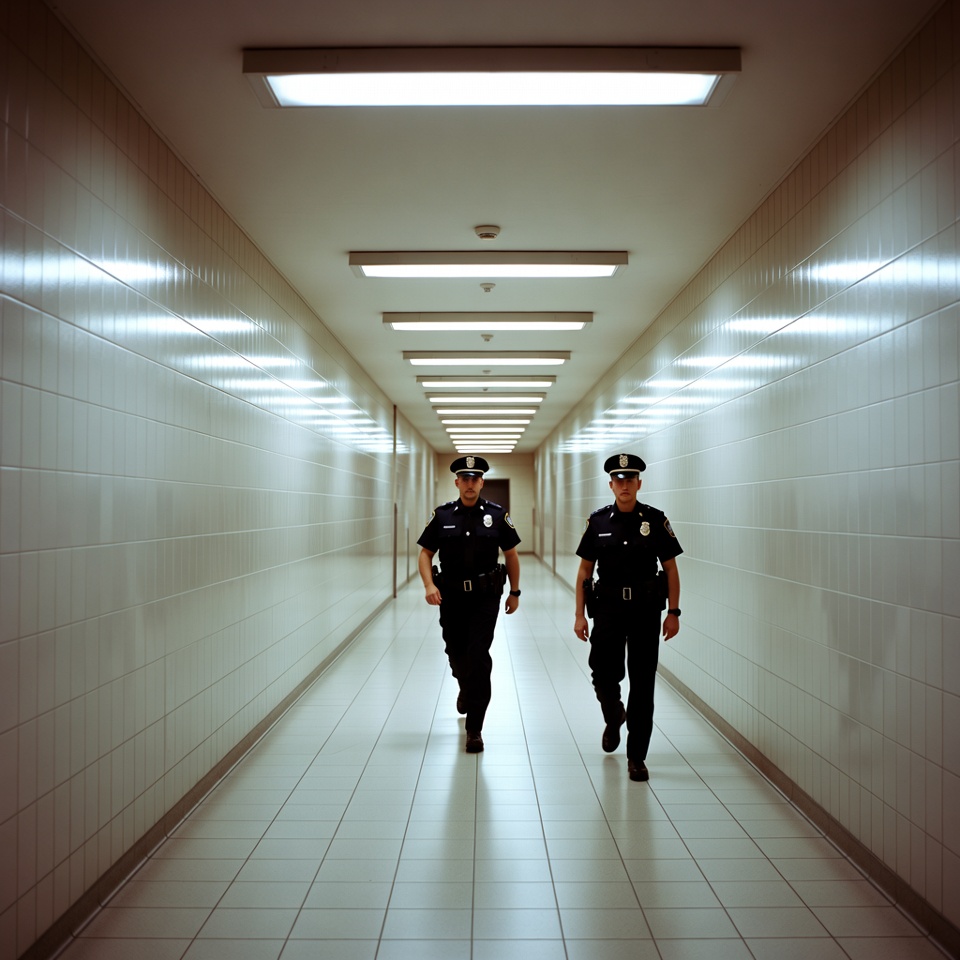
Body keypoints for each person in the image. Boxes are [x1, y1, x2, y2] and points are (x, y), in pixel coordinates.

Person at [574, 453, 682, 782]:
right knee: (602, 672)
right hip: (606, 610)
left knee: (643, 683)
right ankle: (613, 713)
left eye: (630, 479)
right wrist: (579, 614)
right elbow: (584, 570)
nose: (624, 485)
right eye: (618, 480)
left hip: (646, 612)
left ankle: (637, 757)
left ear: (639, 483)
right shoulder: (598, 521)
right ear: (610, 484)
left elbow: (671, 568)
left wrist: (674, 612)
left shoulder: (655, 519)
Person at [418, 456, 521, 753]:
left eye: (475, 478)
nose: (470, 483)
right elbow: (425, 553)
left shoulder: (497, 515)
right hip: (450, 597)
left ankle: (474, 727)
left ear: (482, 482)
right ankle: (464, 684)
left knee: (478, 655)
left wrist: (514, 591)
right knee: (456, 652)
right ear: (457, 482)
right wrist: (429, 584)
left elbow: (511, 555)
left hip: (485, 597)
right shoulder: (442, 515)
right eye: (465, 478)